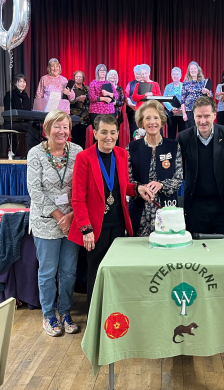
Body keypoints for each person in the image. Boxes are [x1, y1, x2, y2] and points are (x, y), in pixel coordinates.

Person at [68, 114, 153, 309]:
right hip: (95, 229)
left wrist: (138, 188)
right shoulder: (84, 157)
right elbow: (78, 198)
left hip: (118, 225)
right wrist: (85, 229)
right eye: (104, 132)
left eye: (113, 132)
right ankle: (94, 321)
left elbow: (121, 187)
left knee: (115, 273)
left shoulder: (122, 155)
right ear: (95, 133)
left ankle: (114, 314)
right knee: (96, 275)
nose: (109, 136)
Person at [27, 110, 82, 336]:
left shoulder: (77, 151)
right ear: (47, 129)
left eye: (65, 127)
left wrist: (71, 216)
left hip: (72, 220)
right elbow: (35, 191)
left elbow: (82, 186)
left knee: (69, 272)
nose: (62, 131)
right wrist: (60, 216)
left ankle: (65, 312)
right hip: (45, 222)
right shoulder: (35, 154)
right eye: (57, 126)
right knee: (48, 272)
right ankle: (49, 316)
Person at [177, 96, 224, 235]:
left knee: (223, 252)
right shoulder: (183, 138)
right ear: (193, 116)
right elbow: (178, 170)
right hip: (195, 206)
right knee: (198, 252)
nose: (202, 121)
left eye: (207, 116)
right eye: (198, 116)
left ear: (214, 115)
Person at [127, 100, 183, 236]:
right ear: (141, 122)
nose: (152, 122)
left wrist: (161, 185)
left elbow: (179, 177)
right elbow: (127, 179)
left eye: (156, 117)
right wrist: (140, 188)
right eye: (148, 118)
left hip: (167, 212)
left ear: (162, 120)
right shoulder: (132, 148)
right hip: (140, 213)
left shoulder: (173, 146)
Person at [3, 73, 39, 149]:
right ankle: (31, 152)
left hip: (23, 123)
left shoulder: (26, 97)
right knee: (30, 127)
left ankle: (37, 151)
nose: (23, 84)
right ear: (15, 83)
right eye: (20, 81)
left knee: (38, 126)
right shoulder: (9, 94)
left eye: (24, 82)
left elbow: (28, 112)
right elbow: (8, 112)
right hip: (11, 123)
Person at [180, 61, 213, 128]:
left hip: (201, 110)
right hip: (189, 111)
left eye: (195, 68)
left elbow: (210, 96)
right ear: (189, 71)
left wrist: (207, 91)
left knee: (200, 129)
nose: (193, 70)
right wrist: (184, 114)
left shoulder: (203, 81)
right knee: (191, 131)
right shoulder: (186, 82)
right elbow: (182, 100)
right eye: (191, 69)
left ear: (198, 70)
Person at [69, 70, 90, 149]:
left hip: (84, 117)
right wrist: (77, 99)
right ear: (74, 78)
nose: (78, 78)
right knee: (74, 137)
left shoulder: (87, 89)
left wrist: (86, 98)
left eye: (80, 76)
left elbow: (91, 101)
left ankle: (82, 156)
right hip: (73, 116)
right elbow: (67, 101)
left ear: (83, 78)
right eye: (76, 76)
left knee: (82, 138)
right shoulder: (70, 89)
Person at [163, 67, 185, 140]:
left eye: (177, 74)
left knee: (182, 134)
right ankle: (171, 150)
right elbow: (164, 99)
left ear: (181, 76)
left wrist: (180, 109)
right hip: (171, 114)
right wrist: (171, 108)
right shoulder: (168, 87)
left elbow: (187, 99)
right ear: (171, 75)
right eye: (173, 74)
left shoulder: (184, 86)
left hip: (182, 113)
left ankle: (182, 150)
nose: (175, 76)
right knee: (171, 134)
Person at [124, 65, 141, 139]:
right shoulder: (131, 84)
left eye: (139, 74)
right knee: (133, 130)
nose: (137, 75)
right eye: (136, 73)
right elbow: (126, 95)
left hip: (142, 110)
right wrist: (131, 105)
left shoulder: (146, 84)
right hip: (132, 110)